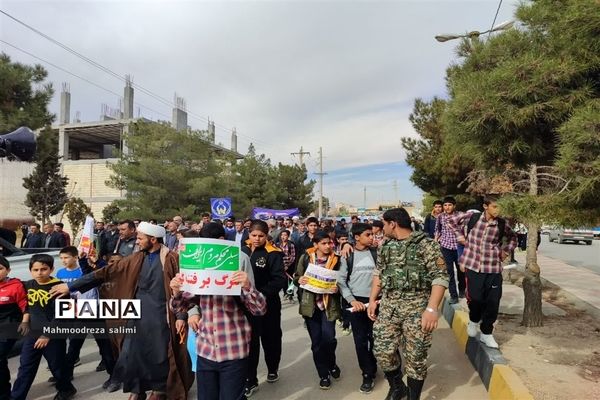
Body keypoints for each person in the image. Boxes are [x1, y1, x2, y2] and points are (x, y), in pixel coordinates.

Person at [50, 222, 193, 400]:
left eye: (140, 238)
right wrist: (71, 287)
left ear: (153, 239)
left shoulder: (172, 259)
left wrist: (180, 315)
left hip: (161, 315)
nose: (138, 242)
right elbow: (105, 273)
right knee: (132, 354)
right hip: (135, 314)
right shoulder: (134, 259)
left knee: (160, 354)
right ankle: (137, 390)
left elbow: (184, 290)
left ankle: (159, 390)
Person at [171, 222, 267, 400]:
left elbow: (259, 309)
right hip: (206, 349)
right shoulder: (198, 262)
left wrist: (247, 286)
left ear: (222, 241)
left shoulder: (239, 259)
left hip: (233, 348)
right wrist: (177, 292)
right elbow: (180, 307)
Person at [367, 208, 448, 400]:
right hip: (389, 306)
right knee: (382, 351)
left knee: (416, 358)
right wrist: (372, 300)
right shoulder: (385, 246)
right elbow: (379, 273)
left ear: (393, 223)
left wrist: (431, 308)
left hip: (417, 307)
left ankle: (413, 396)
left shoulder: (426, 245)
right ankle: (397, 387)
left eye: (384, 224)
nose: (381, 228)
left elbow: (441, 277)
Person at [448, 195, 517, 349]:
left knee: (493, 302)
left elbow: (513, 237)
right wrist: (460, 236)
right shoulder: (472, 217)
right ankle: (473, 320)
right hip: (473, 266)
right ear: (485, 206)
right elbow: (451, 221)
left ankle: (487, 333)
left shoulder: (502, 223)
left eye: (500, 207)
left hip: (493, 268)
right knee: (476, 299)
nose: (498, 210)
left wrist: (506, 250)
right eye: (495, 206)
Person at [11, 254, 77, 400]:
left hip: (53, 334)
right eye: (35, 270)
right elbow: (26, 304)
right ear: (30, 271)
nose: (39, 273)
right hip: (33, 333)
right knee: (26, 367)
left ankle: (66, 389)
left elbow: (62, 316)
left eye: (44, 269)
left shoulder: (60, 288)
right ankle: (16, 397)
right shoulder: (28, 285)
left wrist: (47, 335)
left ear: (52, 269)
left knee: (57, 367)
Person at [54, 246, 119, 392]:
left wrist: (87, 261)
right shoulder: (60, 273)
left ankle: (114, 376)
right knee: (73, 346)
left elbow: (95, 275)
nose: (64, 261)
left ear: (75, 257)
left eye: (66, 257)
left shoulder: (87, 271)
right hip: (76, 312)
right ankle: (67, 374)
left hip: (94, 311)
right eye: (61, 258)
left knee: (105, 347)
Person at [242, 220, 287, 397]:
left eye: (261, 236)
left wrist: (259, 294)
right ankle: (250, 379)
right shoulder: (241, 250)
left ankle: (272, 368)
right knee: (250, 342)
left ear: (267, 236)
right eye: (254, 235)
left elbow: (279, 280)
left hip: (268, 305)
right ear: (248, 234)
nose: (257, 239)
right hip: (246, 306)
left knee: (271, 339)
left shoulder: (273, 253)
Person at [293, 231, 342, 390]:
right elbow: (296, 277)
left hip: (329, 306)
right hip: (311, 307)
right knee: (316, 343)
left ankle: (331, 363)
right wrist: (299, 280)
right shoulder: (306, 258)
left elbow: (342, 281)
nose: (328, 246)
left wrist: (337, 288)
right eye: (324, 243)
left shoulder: (337, 260)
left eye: (329, 243)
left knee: (329, 339)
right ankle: (323, 374)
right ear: (315, 245)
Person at [337, 223, 379, 393]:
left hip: (377, 302)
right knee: (361, 341)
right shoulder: (348, 255)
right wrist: (351, 300)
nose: (372, 237)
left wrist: (376, 299)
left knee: (378, 339)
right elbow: (341, 281)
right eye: (368, 234)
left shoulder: (377, 253)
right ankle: (367, 373)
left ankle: (380, 366)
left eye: (373, 234)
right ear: (356, 237)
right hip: (357, 304)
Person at [0, 255, 29, 398]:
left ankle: (4, 393)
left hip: (10, 326)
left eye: (0, 268)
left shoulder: (16, 286)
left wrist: (24, 323)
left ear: (8, 270)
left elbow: (25, 307)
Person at [434, 196, 464, 304]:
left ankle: (462, 290)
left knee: (461, 270)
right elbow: (437, 229)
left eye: (450, 205)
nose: (447, 207)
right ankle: (453, 295)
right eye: (445, 205)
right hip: (446, 247)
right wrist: (436, 240)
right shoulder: (440, 217)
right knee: (449, 272)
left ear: (454, 206)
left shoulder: (460, 215)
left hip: (458, 247)